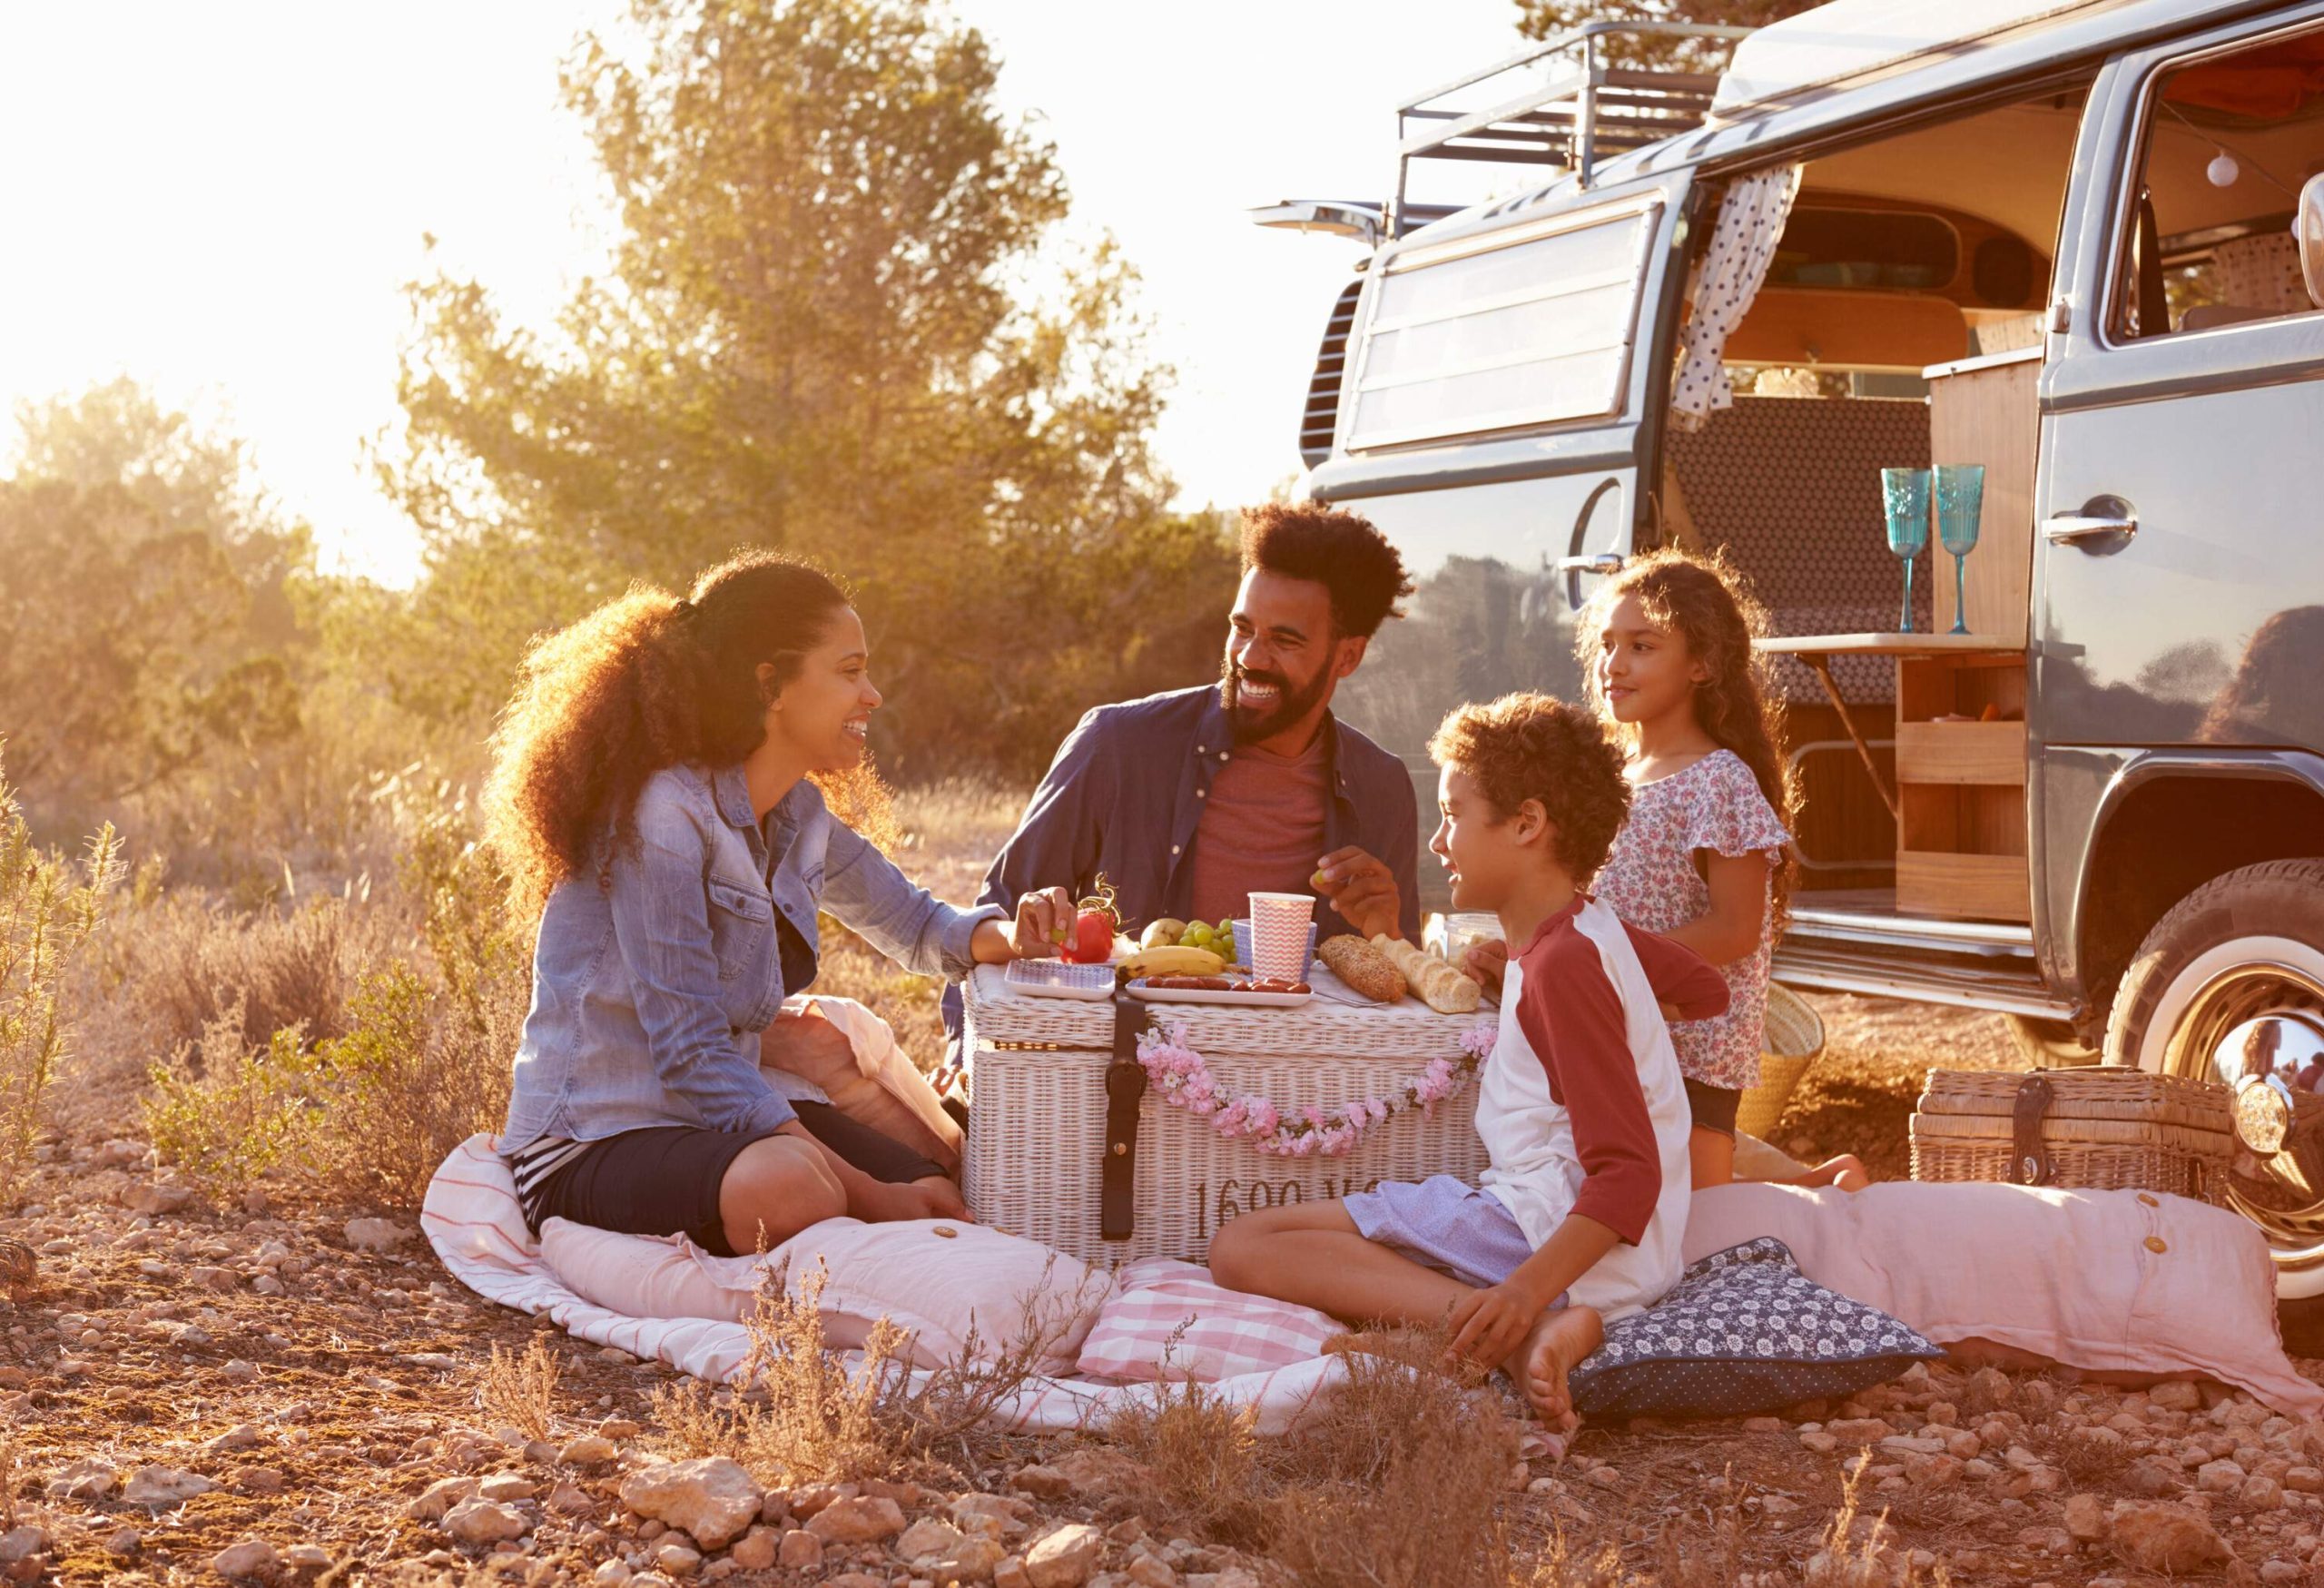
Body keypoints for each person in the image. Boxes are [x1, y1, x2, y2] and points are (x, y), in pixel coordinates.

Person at [487, 551, 1078, 1260]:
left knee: (931, 1179)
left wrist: (1022, 932)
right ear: (771, 684)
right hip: (592, 1137)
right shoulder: (663, 815)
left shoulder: (799, 812)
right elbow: (691, 1051)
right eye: (850, 670)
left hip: (704, 1125)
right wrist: (872, 1196)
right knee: (796, 1189)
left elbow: (919, 926)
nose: (873, 696)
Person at [1208, 694, 1727, 1426]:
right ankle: (1510, 1317)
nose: (1438, 842)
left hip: (1547, 1234)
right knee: (1292, 1243)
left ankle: (1510, 1329)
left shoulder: (1562, 967)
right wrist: (1533, 972)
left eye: (1453, 813)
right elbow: (1704, 990)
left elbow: (1629, 1174)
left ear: (1526, 823)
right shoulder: (1583, 933)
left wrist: (1519, 1296)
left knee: (1241, 1246)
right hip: (1619, 1254)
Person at [941, 502, 1423, 1073]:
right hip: (1120, 1076)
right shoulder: (1118, 743)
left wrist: (1387, 932)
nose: (1249, 657)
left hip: (1299, 1086)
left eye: (1284, 641)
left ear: (1348, 656)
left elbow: (1401, 994)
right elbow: (993, 915)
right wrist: (963, 1058)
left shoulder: (1382, 786)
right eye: (1242, 628)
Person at [1468, 549, 1866, 1193]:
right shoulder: (1611, 781)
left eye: (1642, 646)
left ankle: (1814, 1185)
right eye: (1607, 644)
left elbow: (1737, 929)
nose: (1613, 664)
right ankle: (1807, 1177)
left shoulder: (1719, 780)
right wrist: (1524, 955)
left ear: (1703, 664)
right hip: (1611, 1032)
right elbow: (1581, 911)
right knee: (1628, 1198)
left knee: (1695, 1225)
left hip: (1690, 1046)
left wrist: (1606, 961)